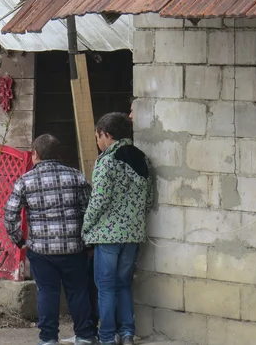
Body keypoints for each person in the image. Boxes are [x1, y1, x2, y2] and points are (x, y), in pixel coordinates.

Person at [5, 134, 97, 345]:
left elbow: (10, 215)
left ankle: (48, 339)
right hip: (74, 248)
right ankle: (84, 335)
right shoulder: (76, 176)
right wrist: (88, 243)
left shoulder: (25, 180)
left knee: (47, 292)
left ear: (35, 155)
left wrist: (20, 242)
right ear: (59, 154)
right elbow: (89, 211)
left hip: (41, 250)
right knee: (78, 291)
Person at [83, 113, 153, 345]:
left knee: (105, 287)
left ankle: (106, 337)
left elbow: (98, 201)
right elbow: (149, 200)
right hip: (133, 235)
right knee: (124, 284)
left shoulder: (107, 161)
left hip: (108, 236)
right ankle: (127, 333)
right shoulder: (143, 159)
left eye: (98, 136)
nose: (97, 142)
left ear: (107, 134)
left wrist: (86, 228)